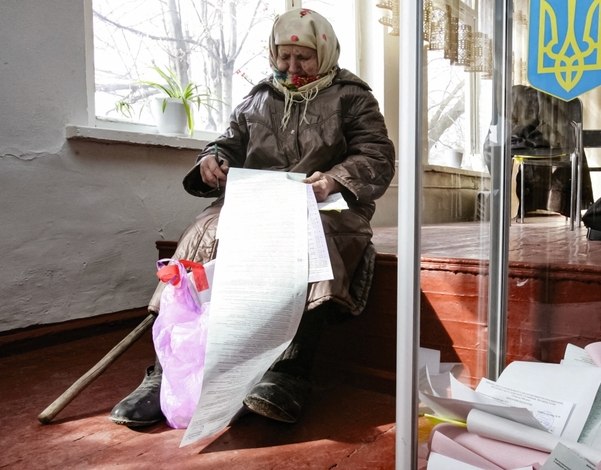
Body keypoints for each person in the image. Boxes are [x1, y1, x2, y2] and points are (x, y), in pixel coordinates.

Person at [109, 8, 396, 427]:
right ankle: (167, 371)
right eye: (284, 56)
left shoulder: (352, 97)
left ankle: (290, 372)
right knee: (202, 234)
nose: (292, 67)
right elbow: (227, 143)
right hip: (257, 200)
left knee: (312, 239)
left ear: (325, 53)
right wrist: (212, 160)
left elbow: (377, 155)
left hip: (322, 203)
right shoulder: (258, 97)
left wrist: (332, 180)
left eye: (304, 57)